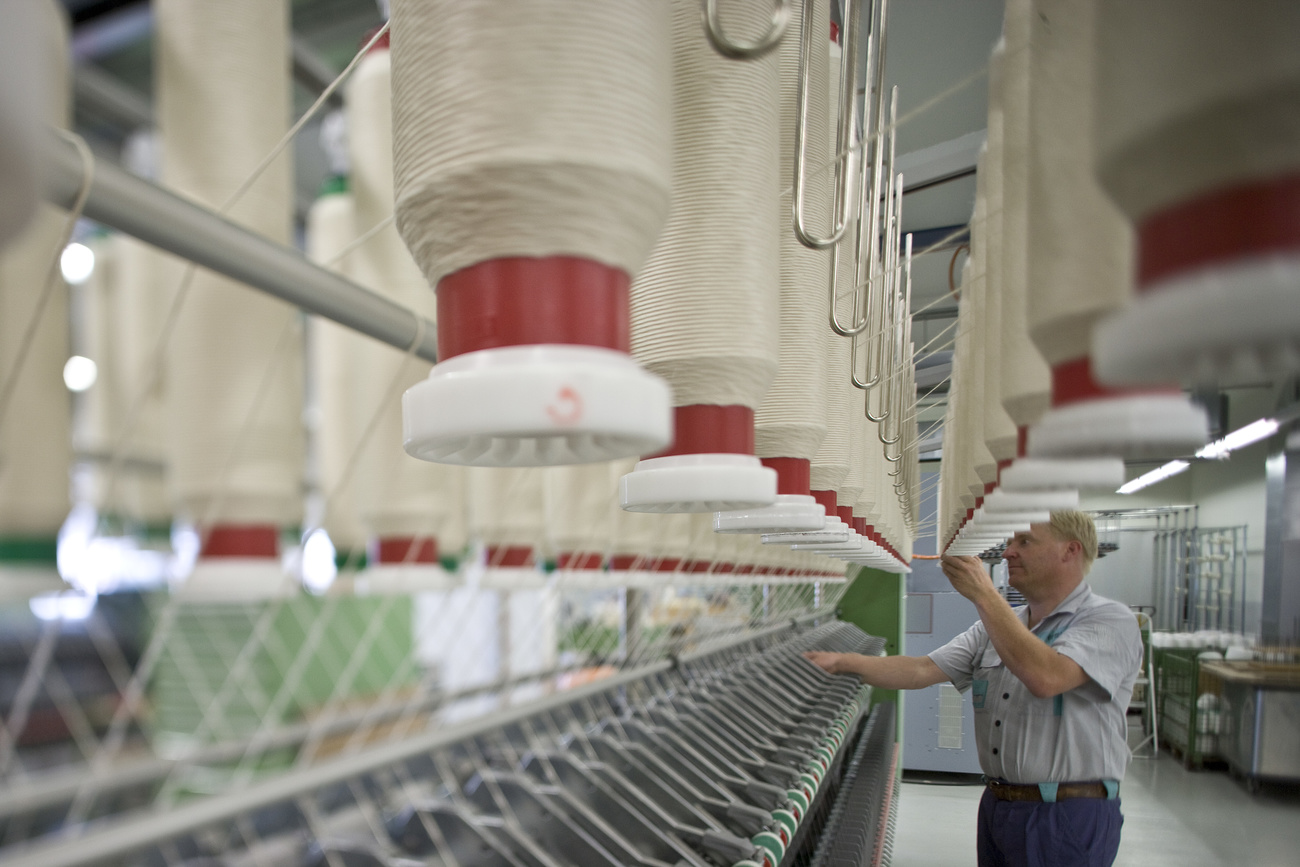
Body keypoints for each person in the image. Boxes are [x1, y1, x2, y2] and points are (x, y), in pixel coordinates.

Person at [805, 510, 1142, 867]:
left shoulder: (1108, 620)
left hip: (1065, 814)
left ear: (1070, 551)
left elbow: (1048, 677)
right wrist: (840, 663)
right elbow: (921, 669)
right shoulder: (1002, 625)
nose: (1009, 551)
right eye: (1011, 541)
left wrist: (984, 594)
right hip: (1000, 806)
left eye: (1024, 542)